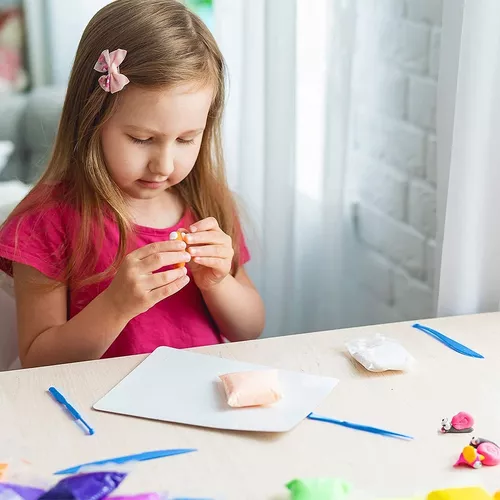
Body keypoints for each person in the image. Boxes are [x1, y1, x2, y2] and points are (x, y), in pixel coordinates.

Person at [0, 0, 265, 368]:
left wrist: (219, 284)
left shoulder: (208, 205)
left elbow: (249, 329)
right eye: (141, 139)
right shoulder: (45, 224)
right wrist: (115, 306)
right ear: (92, 119)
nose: (164, 164)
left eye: (187, 139)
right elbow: (38, 361)